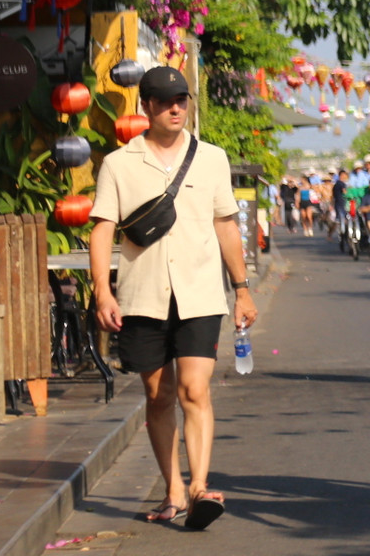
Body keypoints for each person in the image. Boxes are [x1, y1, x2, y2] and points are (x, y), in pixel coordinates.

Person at [88, 66, 257, 530]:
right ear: (146, 107)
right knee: (157, 395)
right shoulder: (119, 164)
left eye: (182, 99)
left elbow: (226, 223)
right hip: (142, 297)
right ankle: (174, 490)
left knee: (193, 389)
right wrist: (103, 290)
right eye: (164, 101)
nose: (176, 107)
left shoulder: (212, 159)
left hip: (201, 294)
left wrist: (241, 289)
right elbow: (102, 227)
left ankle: (201, 486)